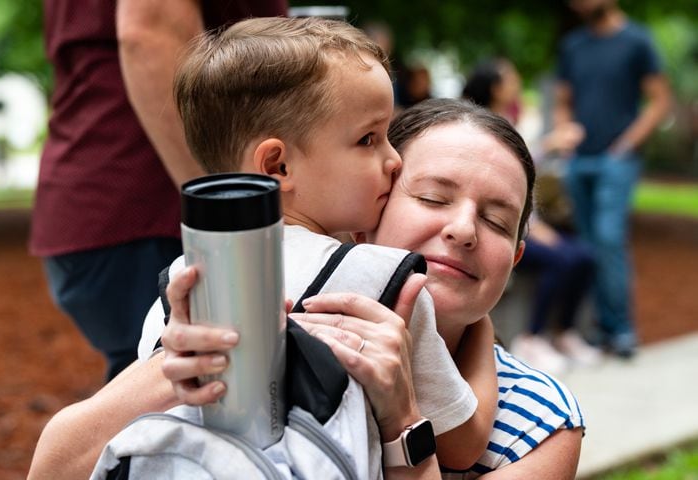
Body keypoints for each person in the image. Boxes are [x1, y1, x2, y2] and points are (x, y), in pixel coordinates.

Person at [28, 18, 490, 479]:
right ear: (277, 164)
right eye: (368, 139)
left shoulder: (179, 286)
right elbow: (463, 443)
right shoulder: (385, 280)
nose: (393, 161)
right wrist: (481, 331)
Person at [163, 98, 585, 478]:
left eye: (497, 222)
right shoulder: (244, 325)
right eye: (433, 198)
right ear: (368, 214)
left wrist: (403, 422)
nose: (463, 231)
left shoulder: (540, 421)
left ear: (514, 258)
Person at [29, 0, 288, 380]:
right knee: (187, 390)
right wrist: (223, 204)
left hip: (102, 201)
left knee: (166, 388)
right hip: (146, 208)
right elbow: (148, 32)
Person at [463, 58, 602, 374]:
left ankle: (565, 333)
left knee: (585, 256)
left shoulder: (505, 122)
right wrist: (532, 229)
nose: (516, 82)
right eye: (510, 77)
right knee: (562, 259)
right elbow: (508, 187)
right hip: (505, 229)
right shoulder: (484, 129)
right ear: (496, 87)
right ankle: (531, 338)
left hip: (526, 225)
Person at [555, 0, 672, 357]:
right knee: (588, 242)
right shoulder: (572, 46)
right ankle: (601, 329)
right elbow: (562, 100)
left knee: (608, 238)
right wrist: (565, 132)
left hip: (615, 161)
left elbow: (659, 100)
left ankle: (622, 330)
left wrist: (626, 144)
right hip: (579, 161)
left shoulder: (637, 40)